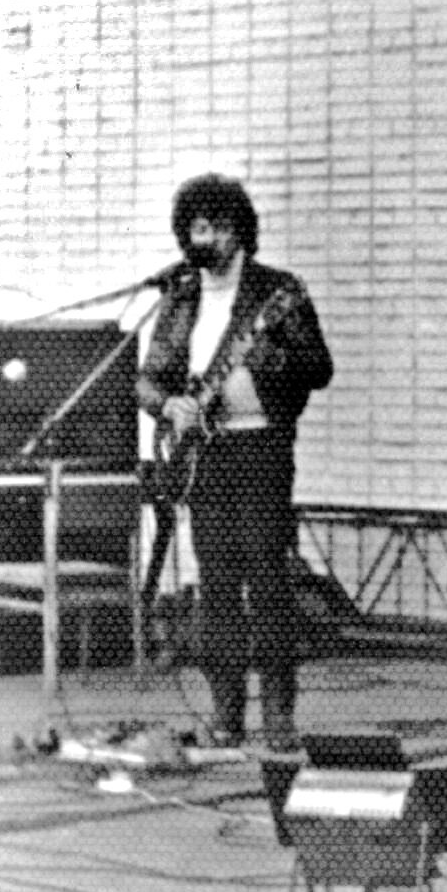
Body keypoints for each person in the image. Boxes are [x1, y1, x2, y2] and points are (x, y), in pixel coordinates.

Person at [136, 175, 334, 749]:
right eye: (197, 228)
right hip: (206, 456)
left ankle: (278, 716)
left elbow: (318, 368)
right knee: (217, 584)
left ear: (240, 232)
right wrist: (168, 404)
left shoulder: (278, 292)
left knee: (268, 581)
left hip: (261, 449)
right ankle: (226, 714)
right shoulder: (180, 297)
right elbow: (147, 381)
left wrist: (270, 358)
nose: (206, 239)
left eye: (218, 228)